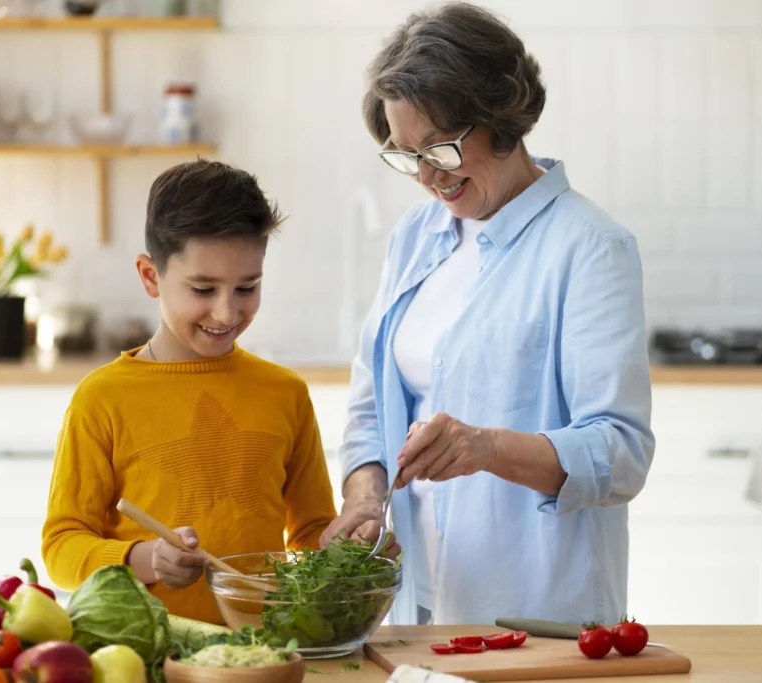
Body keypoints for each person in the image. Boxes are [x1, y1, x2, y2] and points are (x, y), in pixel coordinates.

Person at [321, 1, 655, 627]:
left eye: (440, 149)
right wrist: (364, 499)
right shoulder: (416, 235)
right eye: (404, 154)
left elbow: (621, 452)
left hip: (536, 612)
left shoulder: (589, 247)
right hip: (414, 600)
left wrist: (485, 448)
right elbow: (371, 407)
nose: (425, 176)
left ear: (501, 119)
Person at [42, 160, 338, 623]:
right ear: (150, 277)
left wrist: (346, 545)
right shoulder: (101, 399)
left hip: (261, 652)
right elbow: (62, 546)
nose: (226, 313)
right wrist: (146, 559)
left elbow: (312, 533)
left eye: (247, 287)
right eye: (203, 288)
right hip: (145, 657)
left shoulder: (285, 393)